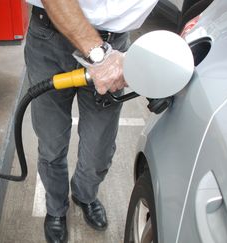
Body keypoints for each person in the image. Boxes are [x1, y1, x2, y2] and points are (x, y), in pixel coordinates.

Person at [24, 0, 158, 242]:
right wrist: (99, 56)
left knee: (99, 148)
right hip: (50, 38)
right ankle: (56, 208)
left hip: (113, 45)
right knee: (51, 142)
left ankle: (84, 195)